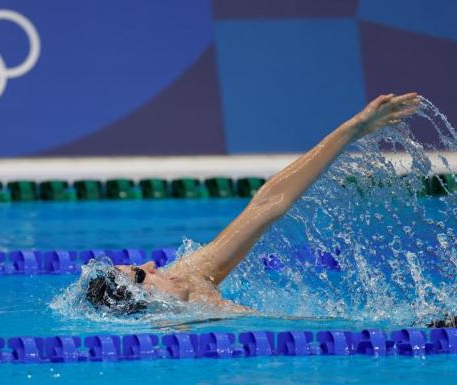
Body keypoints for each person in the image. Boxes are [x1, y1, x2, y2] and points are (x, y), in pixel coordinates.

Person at [86, 93, 421, 315]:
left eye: (138, 267)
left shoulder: (189, 277)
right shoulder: (166, 339)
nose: (150, 264)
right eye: (140, 278)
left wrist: (352, 129)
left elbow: (268, 204)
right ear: (137, 303)